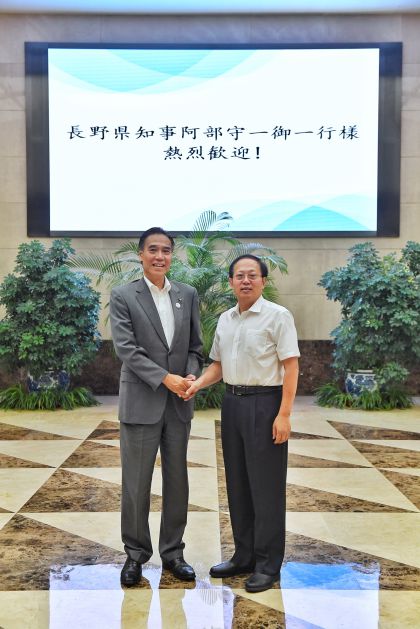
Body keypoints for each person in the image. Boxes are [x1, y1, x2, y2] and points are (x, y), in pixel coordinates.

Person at [183, 254, 299, 593]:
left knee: (266, 487)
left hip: (266, 403)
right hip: (232, 403)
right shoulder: (226, 319)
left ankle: (268, 565)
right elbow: (218, 366)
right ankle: (244, 555)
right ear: (231, 282)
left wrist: (284, 414)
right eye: (239, 275)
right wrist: (196, 385)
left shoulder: (278, 316)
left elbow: (291, 366)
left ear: (263, 281)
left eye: (252, 275)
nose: (245, 280)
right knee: (238, 483)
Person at [110, 227, 203, 586]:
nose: (160, 256)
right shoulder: (124, 295)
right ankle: (135, 555)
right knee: (136, 483)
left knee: (177, 481)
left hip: (178, 404)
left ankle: (173, 553)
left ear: (171, 255)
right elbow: (127, 349)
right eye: (153, 249)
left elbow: (195, 347)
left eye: (166, 250)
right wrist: (165, 378)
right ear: (141, 254)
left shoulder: (187, 294)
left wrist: (191, 376)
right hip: (141, 401)